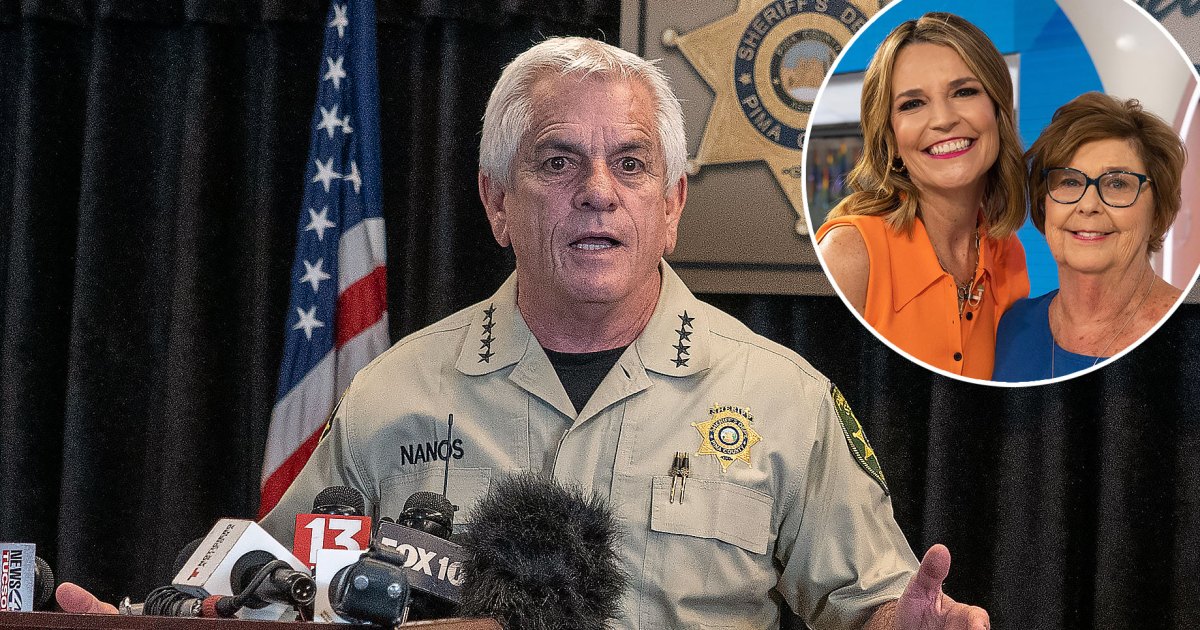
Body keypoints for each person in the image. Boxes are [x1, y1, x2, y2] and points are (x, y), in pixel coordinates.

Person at [58, 37, 989, 629]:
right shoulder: (395, 391)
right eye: (558, 162)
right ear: (498, 203)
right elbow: (270, 591)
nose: (598, 192)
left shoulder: (783, 400)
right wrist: (158, 621)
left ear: (672, 206)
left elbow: (871, 606)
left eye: (631, 164)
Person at [815, 13, 1029, 380]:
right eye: (912, 104)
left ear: (998, 112)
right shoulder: (848, 254)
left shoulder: (1009, 253)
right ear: (891, 139)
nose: (943, 119)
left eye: (964, 92)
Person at [992, 92, 1187, 381]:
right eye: (1070, 181)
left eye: (1117, 183)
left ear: (1157, 213)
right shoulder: (1011, 328)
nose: (1088, 205)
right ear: (1044, 204)